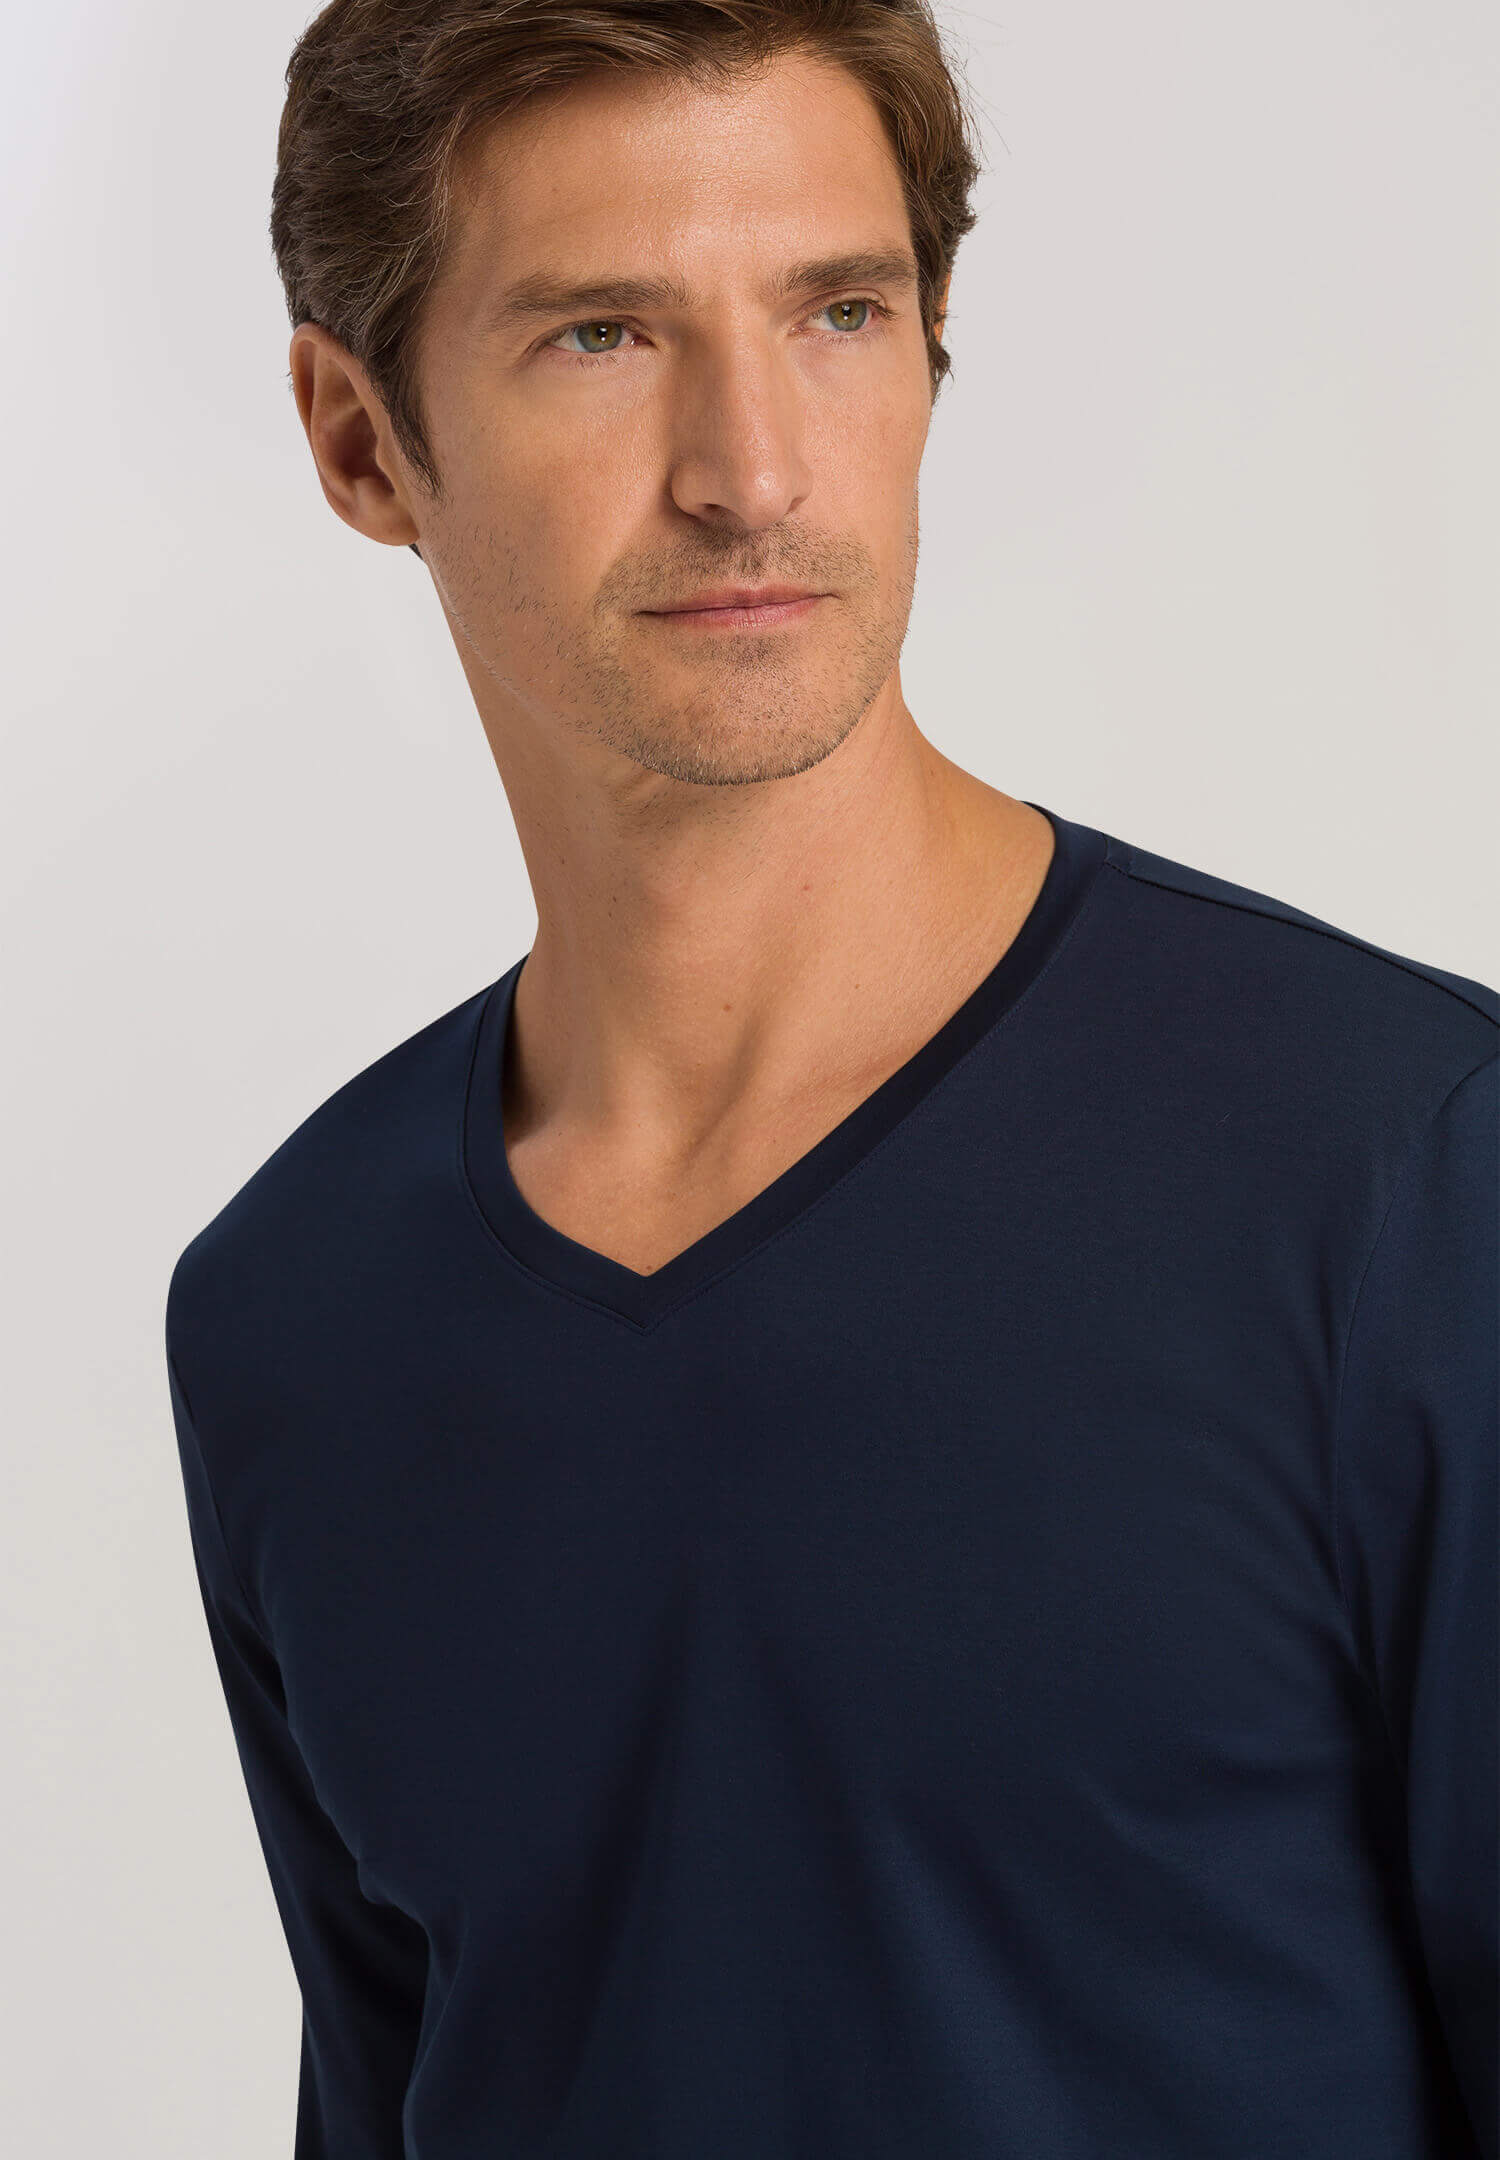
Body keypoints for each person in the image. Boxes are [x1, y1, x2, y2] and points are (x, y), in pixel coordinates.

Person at [164, 4, 1497, 2155]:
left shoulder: (1403, 1178)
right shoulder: (292, 1312)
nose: (754, 470)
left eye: (838, 314)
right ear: (361, 441)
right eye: (604, 335)